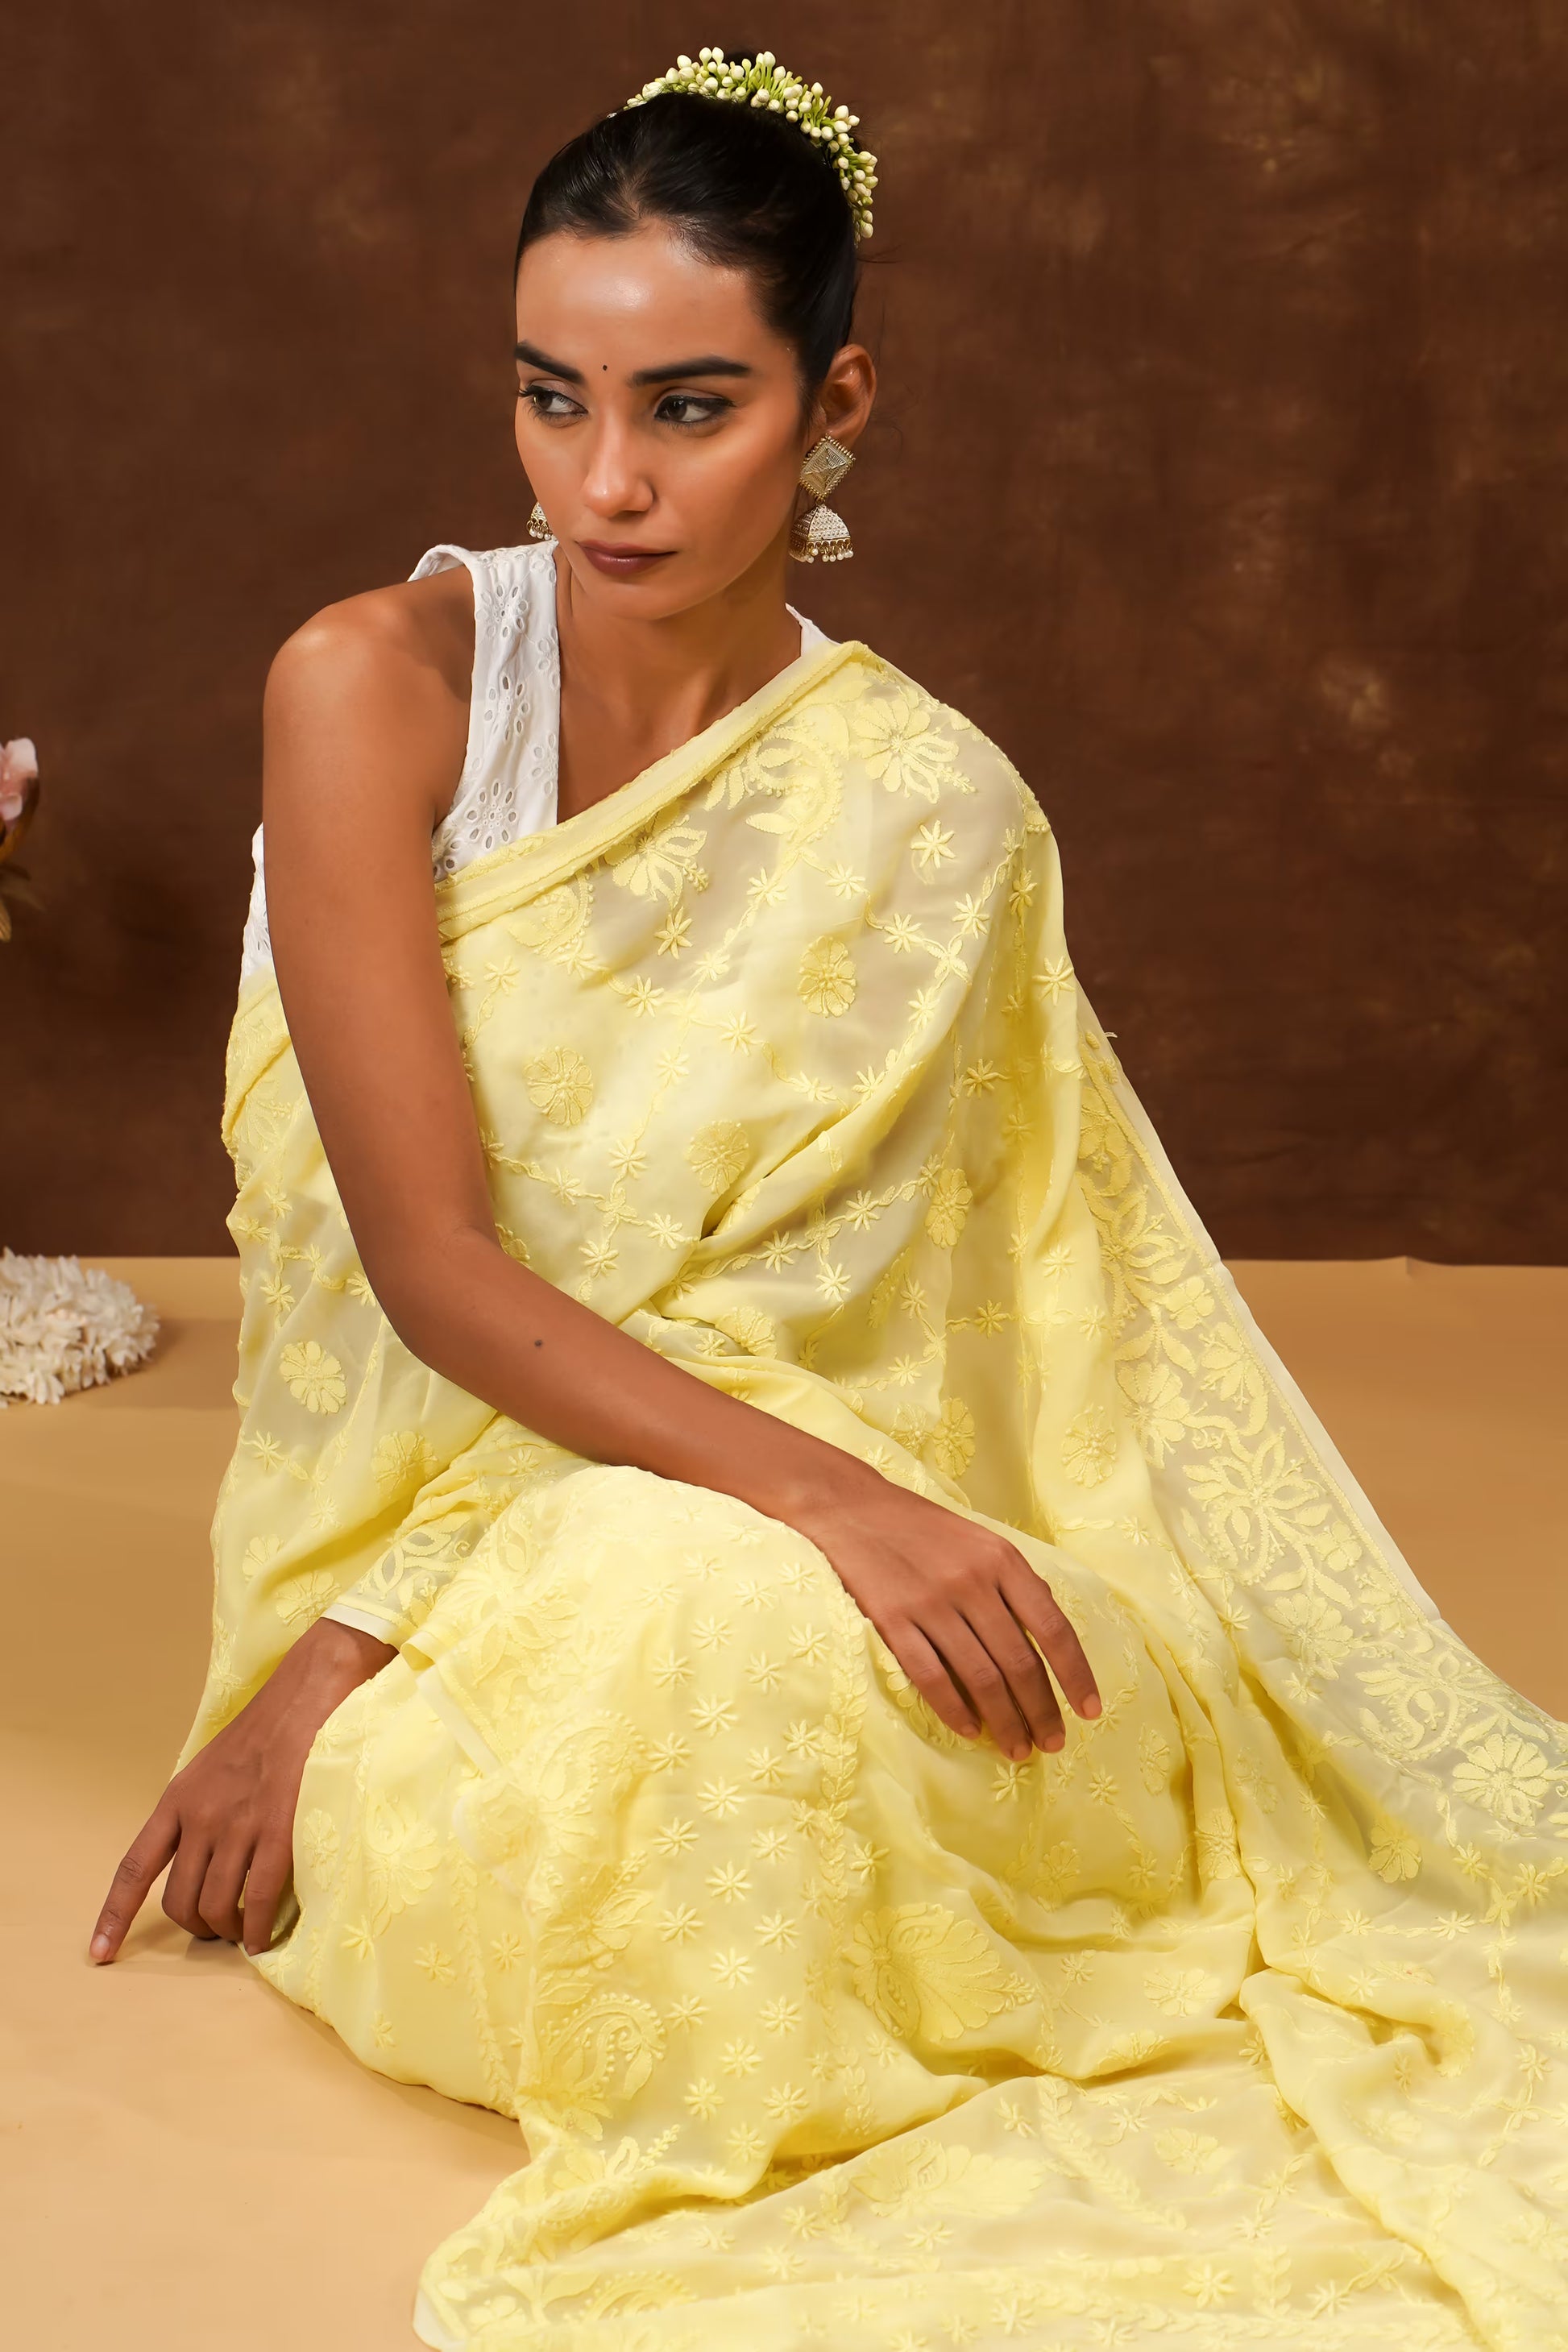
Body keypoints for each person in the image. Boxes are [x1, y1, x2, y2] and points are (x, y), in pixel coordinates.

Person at [91, 48, 1568, 2351]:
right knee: (689, 1659)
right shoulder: (374, 686)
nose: (606, 479)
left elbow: (834, 1331)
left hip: (753, 1479)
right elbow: (429, 1266)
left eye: (688, 405)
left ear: (835, 396)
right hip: (395, 1543)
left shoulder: (921, 813)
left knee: (780, 1648)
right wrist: (323, 1665)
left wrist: (860, 1518)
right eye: (547, 397)